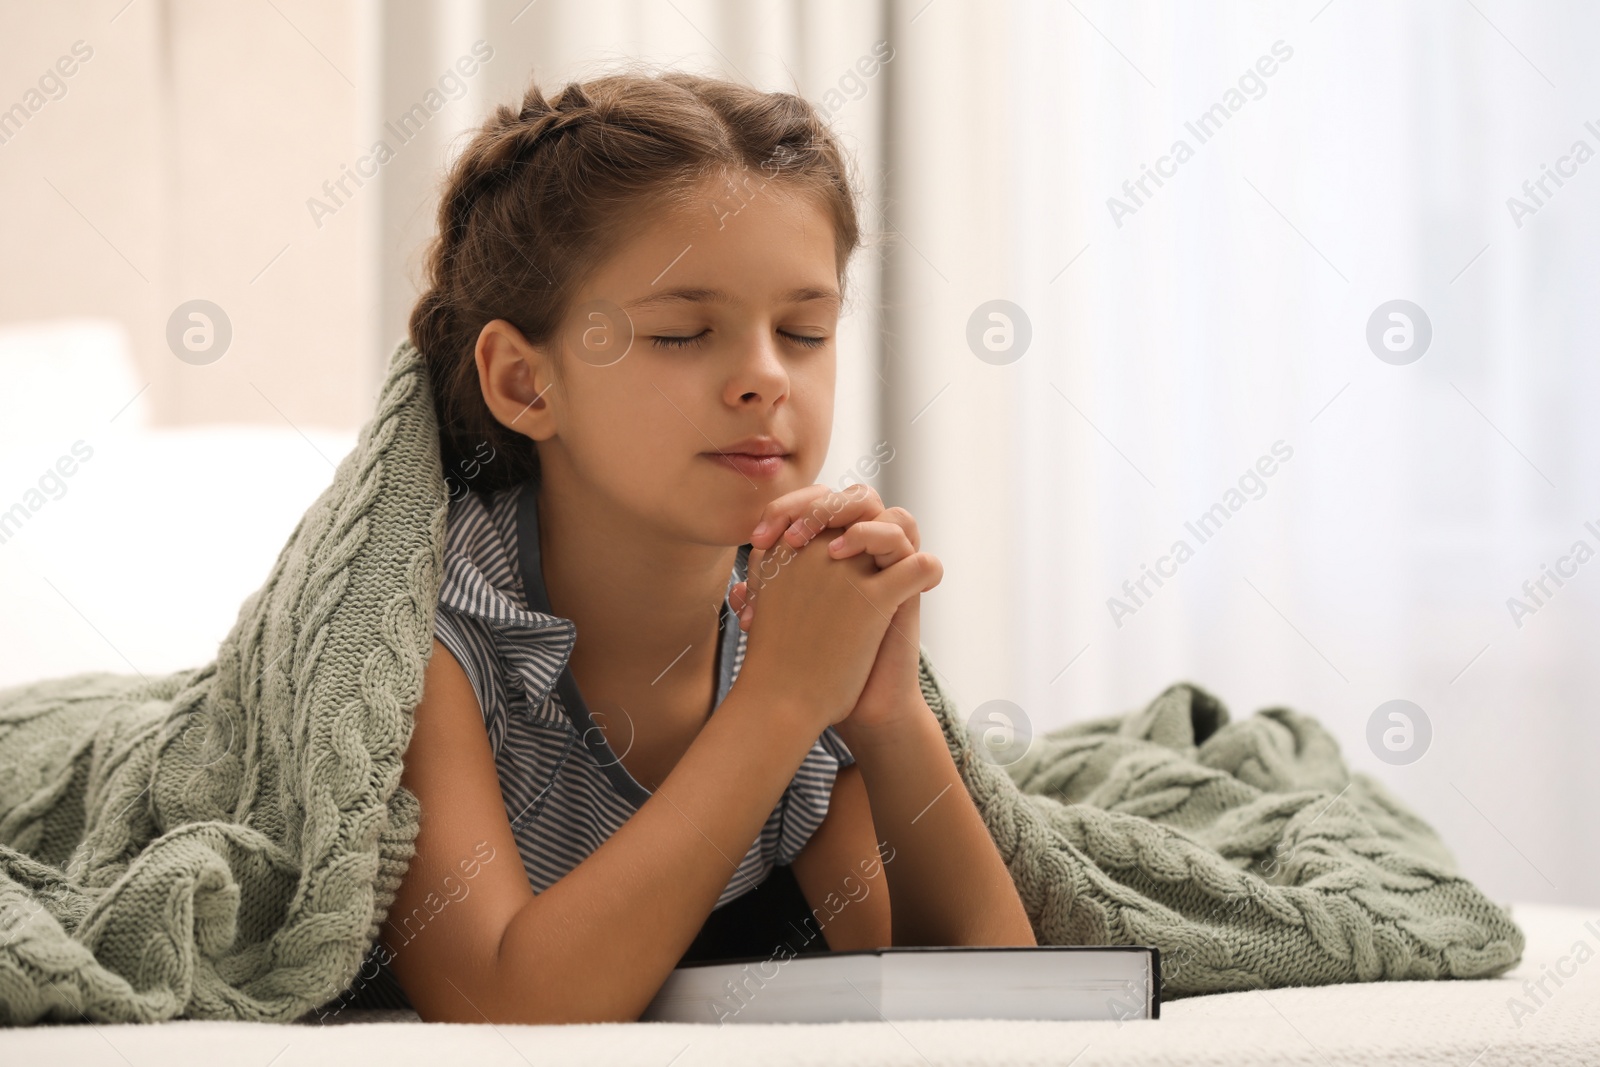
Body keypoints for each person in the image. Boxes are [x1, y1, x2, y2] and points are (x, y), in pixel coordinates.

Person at [373, 69, 1035, 1024]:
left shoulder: (791, 615)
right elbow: (501, 1006)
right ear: (525, 381)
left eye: (804, 331)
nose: (767, 377)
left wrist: (887, 719)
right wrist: (780, 700)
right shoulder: (431, 634)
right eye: (685, 334)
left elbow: (983, 993)